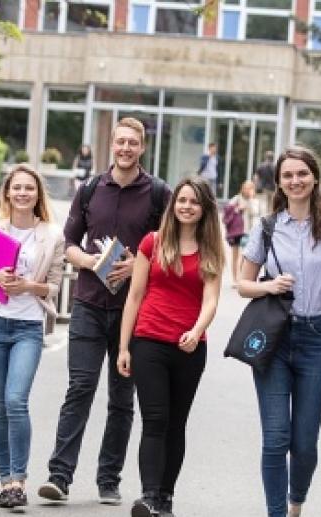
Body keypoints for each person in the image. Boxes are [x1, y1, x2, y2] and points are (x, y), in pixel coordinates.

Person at [38, 117, 172, 505]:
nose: (126, 148)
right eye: (120, 142)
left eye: (133, 143)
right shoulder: (91, 188)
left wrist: (137, 266)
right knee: (79, 388)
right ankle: (59, 476)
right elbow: (69, 242)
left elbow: (169, 247)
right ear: (111, 144)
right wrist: (89, 261)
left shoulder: (157, 193)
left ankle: (108, 479)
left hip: (135, 311)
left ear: (142, 148)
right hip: (89, 305)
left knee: (121, 397)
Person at [237, 145, 321, 517]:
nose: (295, 181)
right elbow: (243, 283)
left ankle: (295, 504)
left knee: (304, 443)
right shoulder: (268, 228)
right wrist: (269, 286)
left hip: (318, 338)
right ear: (279, 183)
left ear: (314, 177)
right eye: (287, 175)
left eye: (302, 173)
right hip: (275, 339)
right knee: (276, 439)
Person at [117, 177, 225, 517]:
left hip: (189, 348)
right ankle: (148, 496)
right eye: (181, 201)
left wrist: (197, 330)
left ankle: (165, 497)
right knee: (155, 419)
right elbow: (134, 296)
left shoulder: (211, 250)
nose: (186, 207)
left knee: (176, 423)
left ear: (204, 208)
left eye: (194, 202)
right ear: (173, 205)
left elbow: (211, 300)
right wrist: (124, 347)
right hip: (149, 340)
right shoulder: (152, 243)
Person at [0, 164, 65, 510]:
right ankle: (6, 481)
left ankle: (20, 479)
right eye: (17, 188)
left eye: (29, 188)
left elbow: (54, 284)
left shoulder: (52, 233)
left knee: (15, 401)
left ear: (38, 193)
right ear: (7, 192)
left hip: (27, 326)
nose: (23, 193)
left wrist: (28, 286)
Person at [226, 180, 265, 285]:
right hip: (236, 231)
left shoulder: (256, 201)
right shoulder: (236, 199)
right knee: (235, 256)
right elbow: (228, 212)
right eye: (246, 188)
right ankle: (235, 279)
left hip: (249, 232)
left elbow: (258, 215)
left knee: (245, 255)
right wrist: (238, 209)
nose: (248, 190)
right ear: (242, 188)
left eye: (250, 188)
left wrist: (251, 201)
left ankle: (242, 278)